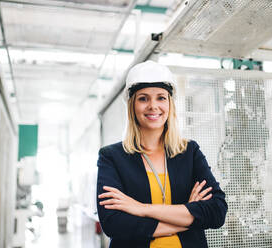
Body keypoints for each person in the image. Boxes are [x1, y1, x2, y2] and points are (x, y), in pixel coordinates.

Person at [96, 60, 227, 248]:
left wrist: (140, 209)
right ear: (132, 105)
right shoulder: (112, 157)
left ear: (170, 104)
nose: (153, 106)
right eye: (143, 98)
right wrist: (187, 216)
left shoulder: (189, 152)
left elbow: (216, 212)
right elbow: (114, 224)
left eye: (161, 98)